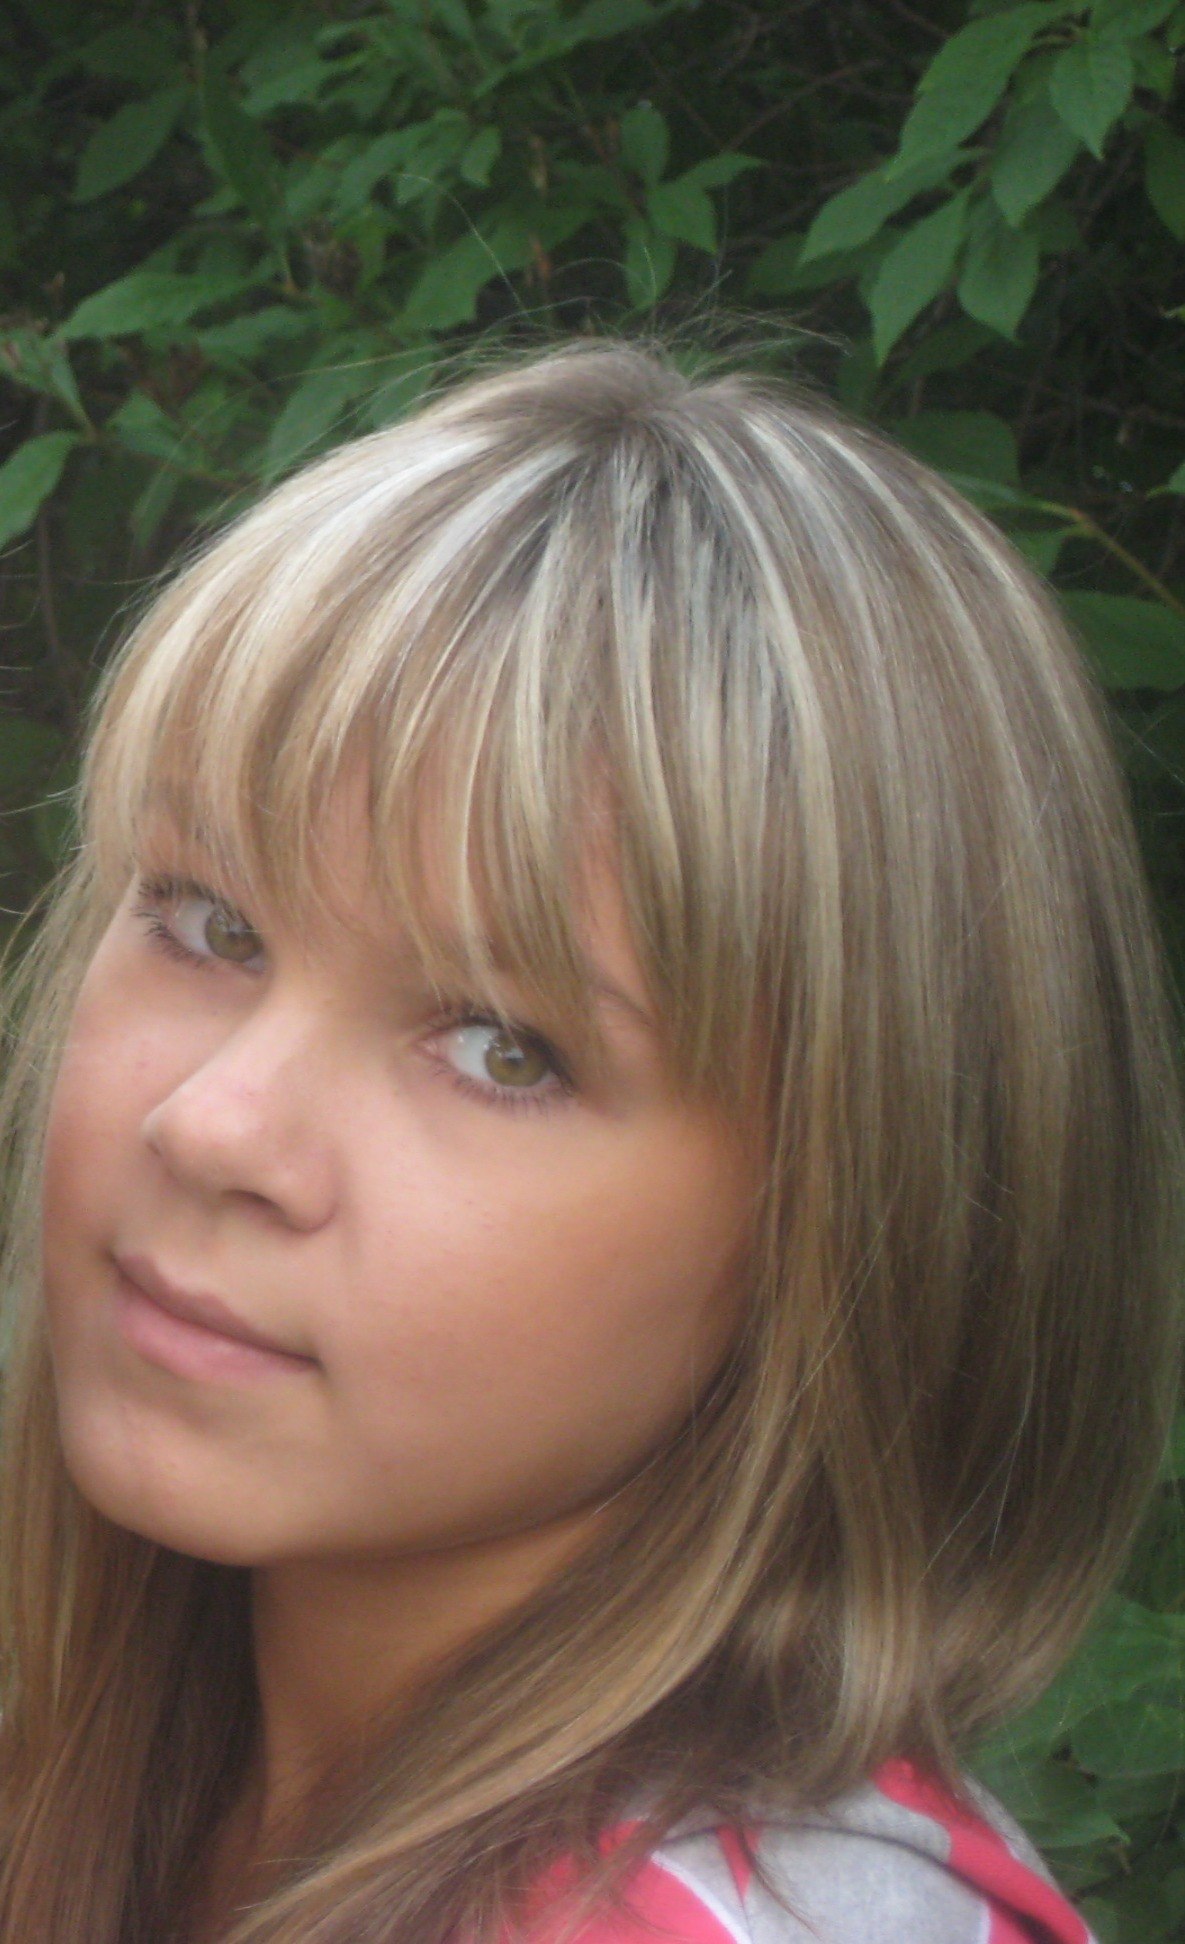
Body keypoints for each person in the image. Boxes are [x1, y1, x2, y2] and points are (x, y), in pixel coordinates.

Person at [0, 341, 1178, 1943]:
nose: (211, 1124)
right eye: (212, 923)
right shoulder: (128, 1769)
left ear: (849, 1229)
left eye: (503, 1049)